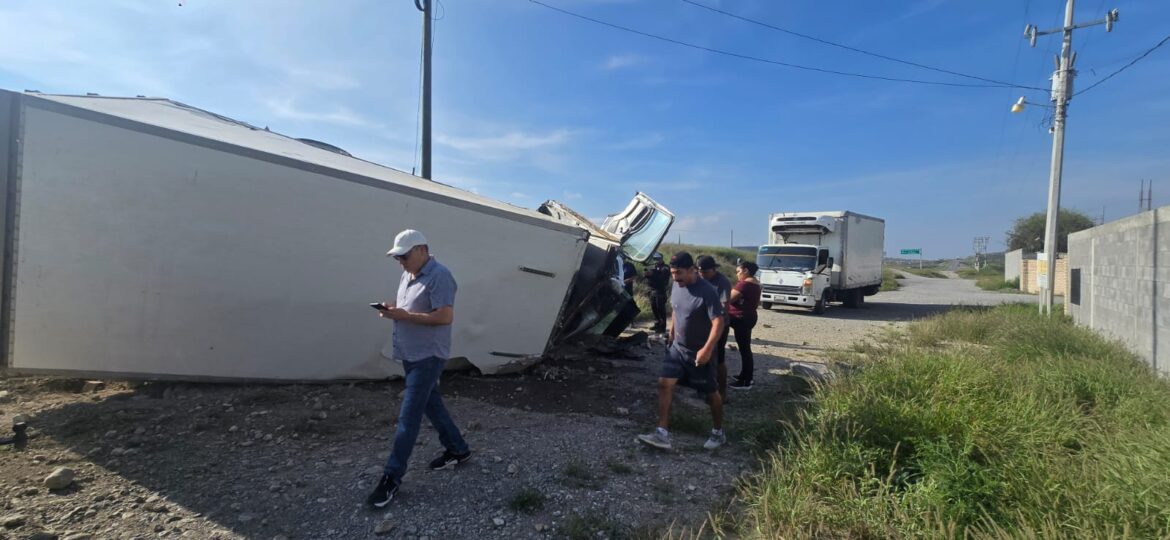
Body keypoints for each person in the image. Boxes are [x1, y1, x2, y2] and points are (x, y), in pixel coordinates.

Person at [367, 229, 472, 509]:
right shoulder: (408, 274)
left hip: (428, 356)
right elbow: (409, 308)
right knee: (431, 405)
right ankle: (458, 449)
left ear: (422, 250)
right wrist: (393, 310)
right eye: (397, 256)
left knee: (409, 417)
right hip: (411, 353)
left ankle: (392, 477)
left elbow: (445, 316)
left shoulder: (440, 276)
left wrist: (405, 315)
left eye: (404, 255)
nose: (399, 260)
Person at [637, 251, 726, 451]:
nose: (675, 278)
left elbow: (718, 322)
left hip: (699, 351)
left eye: (679, 274)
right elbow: (677, 310)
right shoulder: (677, 286)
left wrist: (707, 349)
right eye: (673, 273)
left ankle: (718, 432)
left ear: (692, 270)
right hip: (677, 347)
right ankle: (661, 434)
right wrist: (671, 333)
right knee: (664, 384)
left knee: (711, 394)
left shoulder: (707, 291)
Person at [697, 255, 732, 400]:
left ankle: (722, 392)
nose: (702, 274)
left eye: (705, 272)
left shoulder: (722, 282)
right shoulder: (699, 280)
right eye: (700, 271)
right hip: (703, 325)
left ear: (713, 269)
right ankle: (703, 387)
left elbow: (725, 306)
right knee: (702, 356)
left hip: (719, 326)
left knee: (718, 360)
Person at [728, 261, 762, 390]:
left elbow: (728, 298)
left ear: (746, 270)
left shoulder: (745, 284)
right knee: (745, 349)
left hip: (742, 318)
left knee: (745, 349)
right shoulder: (754, 282)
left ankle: (746, 381)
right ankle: (745, 376)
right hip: (748, 317)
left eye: (738, 271)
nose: (737, 274)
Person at [642, 253, 671, 333]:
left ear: (661, 259)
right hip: (652, 290)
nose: (656, 261)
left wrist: (653, 274)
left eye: (657, 259)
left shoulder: (665, 267)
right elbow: (647, 278)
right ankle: (657, 323)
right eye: (654, 259)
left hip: (660, 291)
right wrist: (647, 275)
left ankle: (662, 327)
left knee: (660, 309)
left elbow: (662, 278)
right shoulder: (654, 267)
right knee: (654, 308)